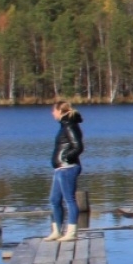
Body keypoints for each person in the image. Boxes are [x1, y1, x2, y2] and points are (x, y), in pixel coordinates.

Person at [45, 100, 85, 242]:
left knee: (69, 199)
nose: (52, 113)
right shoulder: (64, 126)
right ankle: (57, 231)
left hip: (68, 168)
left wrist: (66, 157)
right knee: (54, 200)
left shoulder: (70, 126)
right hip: (59, 169)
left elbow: (78, 147)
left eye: (53, 110)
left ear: (60, 111)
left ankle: (71, 232)